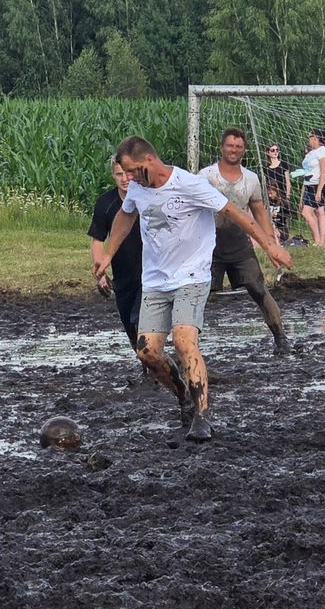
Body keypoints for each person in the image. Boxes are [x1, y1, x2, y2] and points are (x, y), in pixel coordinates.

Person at [93, 136, 292, 442]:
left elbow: (233, 212)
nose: (127, 178)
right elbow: (125, 215)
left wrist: (269, 246)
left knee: (185, 341)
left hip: (191, 275)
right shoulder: (136, 189)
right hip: (156, 280)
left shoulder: (188, 184)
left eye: (132, 171)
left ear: (148, 161)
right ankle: (184, 398)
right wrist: (107, 254)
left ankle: (201, 415)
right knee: (147, 352)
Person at [200, 127, 292, 356]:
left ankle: (280, 337)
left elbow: (259, 212)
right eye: (230, 145)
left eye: (238, 146)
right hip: (209, 245)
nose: (234, 150)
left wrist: (271, 244)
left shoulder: (250, 179)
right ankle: (189, 344)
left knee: (258, 288)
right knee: (199, 293)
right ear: (222, 147)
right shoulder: (206, 176)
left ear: (244, 150)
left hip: (240, 244)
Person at [88, 157, 143, 355]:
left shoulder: (147, 198)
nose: (124, 179)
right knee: (129, 324)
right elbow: (97, 240)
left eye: (127, 173)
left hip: (150, 270)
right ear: (113, 176)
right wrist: (101, 273)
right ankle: (146, 364)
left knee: (140, 319)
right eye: (119, 174)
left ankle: (154, 366)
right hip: (122, 273)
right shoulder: (105, 203)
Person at [299, 130, 325, 247]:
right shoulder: (311, 153)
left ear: (316, 138)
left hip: (318, 185)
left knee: (306, 212)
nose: (309, 139)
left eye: (310, 137)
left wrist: (319, 191)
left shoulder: (323, 152)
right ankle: (320, 241)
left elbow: (323, 172)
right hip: (308, 184)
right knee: (319, 212)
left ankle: (318, 240)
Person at [263, 142, 293, 243]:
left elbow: (287, 181)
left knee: (283, 217)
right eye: (272, 150)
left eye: (276, 150)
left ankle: (285, 237)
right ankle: (274, 237)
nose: (275, 152)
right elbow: (265, 184)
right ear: (268, 153)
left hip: (282, 195)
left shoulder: (283, 165)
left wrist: (288, 195)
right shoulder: (266, 168)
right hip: (271, 196)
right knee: (272, 216)